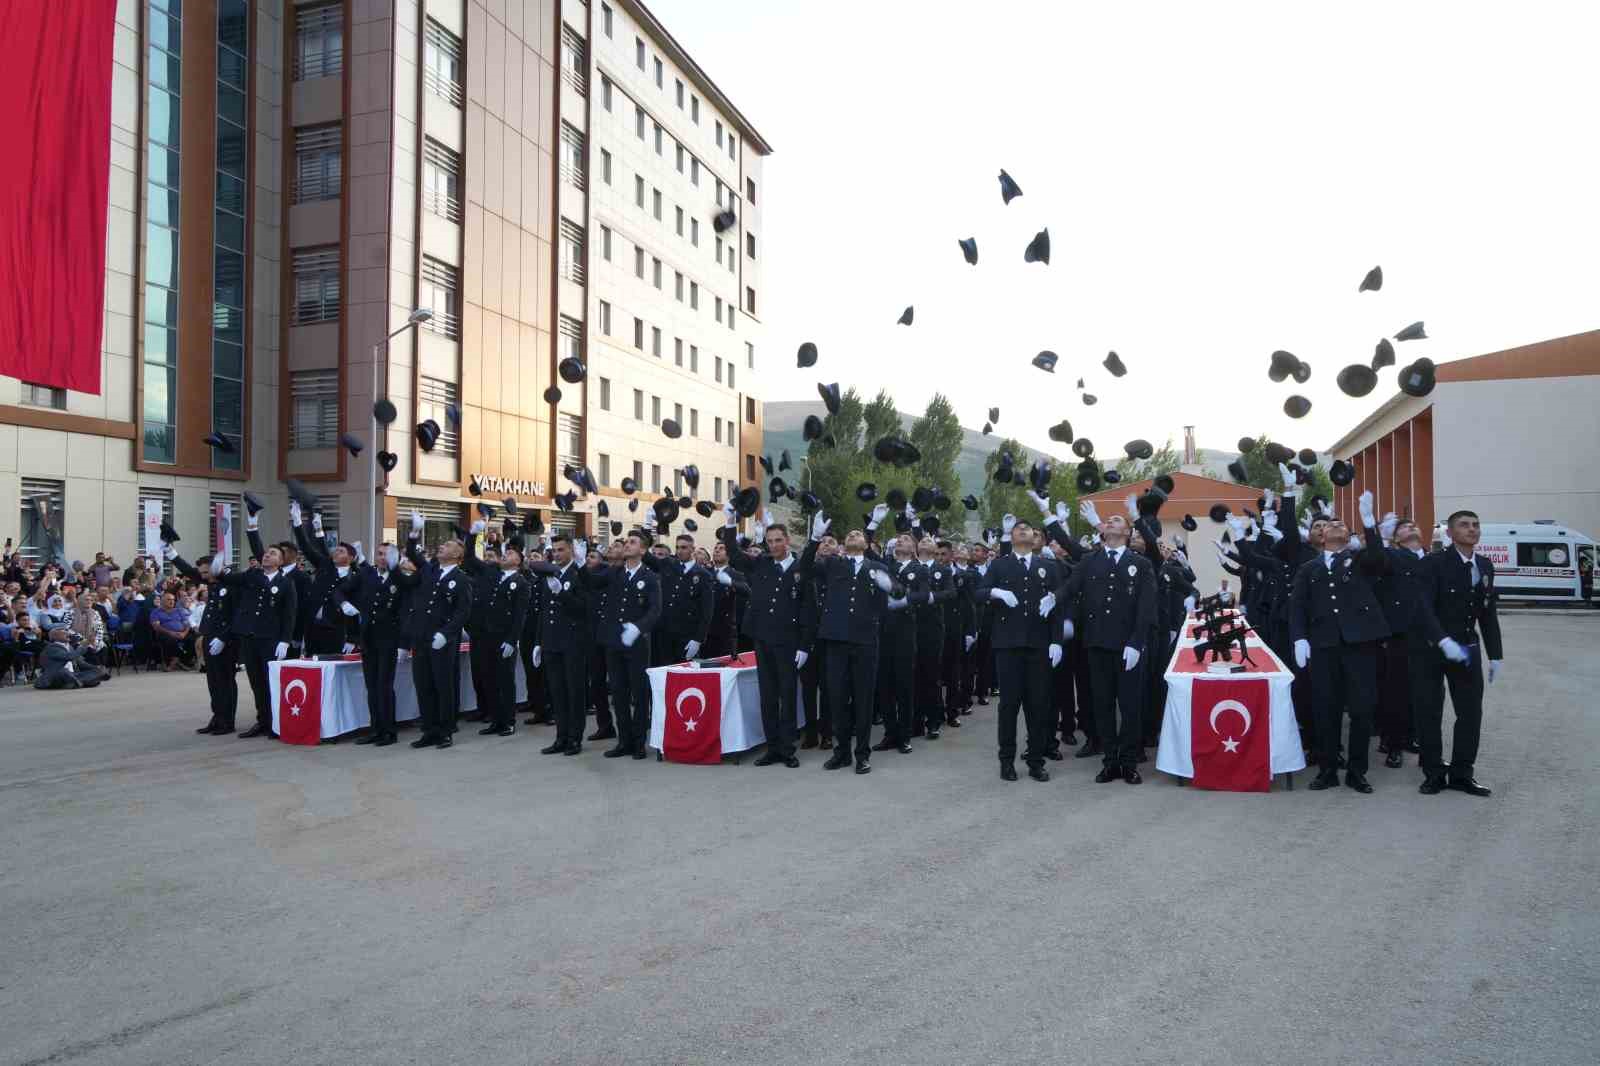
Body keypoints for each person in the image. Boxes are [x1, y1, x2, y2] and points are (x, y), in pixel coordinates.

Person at [1289, 490, 1390, 793]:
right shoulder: (1309, 569)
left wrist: (1369, 522)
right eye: (1329, 524)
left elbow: (1379, 558)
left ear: (1348, 536)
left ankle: (1357, 772)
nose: (1334, 525)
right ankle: (1328, 769)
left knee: (1361, 710)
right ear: (1320, 538)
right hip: (1323, 647)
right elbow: (1298, 606)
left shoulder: (1360, 561)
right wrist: (1299, 639)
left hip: (1360, 646)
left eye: (1341, 524)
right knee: (1326, 709)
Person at [1060, 500, 1157, 785]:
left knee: (1129, 707)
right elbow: (1072, 586)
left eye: (1117, 520)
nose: (1112, 522)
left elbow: (1146, 607)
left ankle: (1129, 762)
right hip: (1098, 644)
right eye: (1109, 520)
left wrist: (1137, 643)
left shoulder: (1140, 564)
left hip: (1128, 647)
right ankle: (1110, 761)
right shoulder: (1091, 559)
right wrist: (1054, 598)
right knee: (1102, 706)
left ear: (1127, 532)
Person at [1411, 509, 1503, 797]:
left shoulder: (1485, 565)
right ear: (1450, 533)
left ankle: (1462, 773)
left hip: (1466, 648)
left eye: (1476, 525)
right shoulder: (1433, 563)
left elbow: (1487, 613)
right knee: (1429, 711)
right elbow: (1423, 607)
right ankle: (1434, 773)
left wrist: (1495, 653)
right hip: (1431, 650)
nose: (1472, 529)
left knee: (1470, 712)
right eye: (1464, 525)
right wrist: (1441, 640)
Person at [801, 511, 894, 774]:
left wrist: (890, 589)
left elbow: (893, 597)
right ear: (844, 543)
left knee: (863, 699)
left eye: (859, 533)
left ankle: (862, 754)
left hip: (865, 641)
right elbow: (805, 568)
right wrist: (814, 538)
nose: (854, 534)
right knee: (837, 698)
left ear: (866, 543)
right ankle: (841, 753)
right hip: (836, 641)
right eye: (850, 533)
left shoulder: (878, 568)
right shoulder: (832, 564)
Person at [719, 504, 811, 767]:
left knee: (788, 694)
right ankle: (772, 747)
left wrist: (804, 645)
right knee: (768, 696)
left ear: (788, 541)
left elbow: (807, 609)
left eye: (778, 540)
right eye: (769, 541)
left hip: (789, 641)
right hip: (762, 639)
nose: (773, 545)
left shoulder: (800, 569)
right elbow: (735, 555)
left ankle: (787, 748)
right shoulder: (761, 564)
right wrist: (730, 522)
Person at [979, 514, 1069, 782]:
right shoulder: (999, 565)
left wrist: (1056, 640)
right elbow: (979, 592)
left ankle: (1036, 760)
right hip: (1007, 645)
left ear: (1035, 538)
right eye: (1018, 529)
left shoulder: (1048, 567)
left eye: (1027, 529)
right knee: (1008, 706)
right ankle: (1006, 760)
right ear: (1013, 536)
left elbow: (1057, 606)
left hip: (1038, 645)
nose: (1022, 532)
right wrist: (996, 592)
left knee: (1038, 706)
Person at [581, 530, 662, 759]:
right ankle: (623, 741)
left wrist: (638, 627)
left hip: (636, 644)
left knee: (638, 693)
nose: (627, 544)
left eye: (632, 542)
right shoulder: (615, 572)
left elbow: (655, 610)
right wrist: (581, 562)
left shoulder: (649, 577)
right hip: (614, 642)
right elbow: (591, 582)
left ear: (643, 550)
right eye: (626, 541)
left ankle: (638, 743)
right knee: (618, 694)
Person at [403, 515, 474, 749]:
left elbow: (463, 611)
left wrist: (447, 633)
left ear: (457, 556)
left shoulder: (461, 579)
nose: (442, 546)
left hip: (442, 640)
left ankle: (445, 731)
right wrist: (414, 531)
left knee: (443, 686)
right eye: (442, 545)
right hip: (422, 637)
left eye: (448, 545)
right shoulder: (430, 570)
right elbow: (413, 555)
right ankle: (429, 730)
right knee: (423, 684)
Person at [227, 518, 300, 738]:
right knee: (256, 682)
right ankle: (262, 721)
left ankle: (275, 723)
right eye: (266, 553)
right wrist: (219, 570)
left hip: (271, 639)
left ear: (281, 561)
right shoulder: (253, 575)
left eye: (273, 554)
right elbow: (229, 578)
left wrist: (285, 640)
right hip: (251, 637)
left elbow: (289, 614)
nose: (268, 555)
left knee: (271, 683)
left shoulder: (286, 583)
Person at [1374, 515, 1430, 768]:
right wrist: (1382, 538)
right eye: (1405, 527)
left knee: (1422, 692)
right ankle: (1393, 744)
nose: (1411, 527)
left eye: (1414, 525)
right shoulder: (1392, 558)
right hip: (1398, 635)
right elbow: (1376, 560)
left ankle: (1412, 736)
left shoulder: (1432, 560)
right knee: (1396, 692)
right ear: (1396, 538)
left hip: (1428, 636)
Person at [530, 532, 591, 755]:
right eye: (554, 550)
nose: (557, 554)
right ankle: (561, 737)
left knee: (574, 692)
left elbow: (583, 609)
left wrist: (562, 594)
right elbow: (544, 611)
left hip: (573, 642)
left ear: (572, 551)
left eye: (561, 550)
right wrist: (539, 641)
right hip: (552, 641)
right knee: (556, 692)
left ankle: (575, 738)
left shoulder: (580, 574)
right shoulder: (550, 574)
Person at [170, 546, 242, 736]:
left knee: (225, 681)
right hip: (210, 637)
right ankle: (217, 717)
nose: (203, 576)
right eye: (201, 572)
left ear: (217, 568)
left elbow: (237, 615)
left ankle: (227, 721)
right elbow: (188, 571)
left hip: (225, 641)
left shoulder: (232, 584)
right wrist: (171, 553)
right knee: (213, 681)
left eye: (206, 572)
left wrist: (223, 638)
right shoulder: (213, 582)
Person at [354, 541, 417, 748]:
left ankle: (389, 731)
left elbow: (407, 612)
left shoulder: (400, 579)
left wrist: (404, 643)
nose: (381, 557)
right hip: (369, 638)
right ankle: (375, 729)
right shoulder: (367, 575)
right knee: (371, 686)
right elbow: (341, 591)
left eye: (386, 555)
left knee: (384, 686)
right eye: (379, 553)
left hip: (389, 639)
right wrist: (344, 604)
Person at [467, 538, 532, 737]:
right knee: (489, 680)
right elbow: (470, 559)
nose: (506, 555)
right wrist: (473, 536)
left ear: (519, 562)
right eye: (506, 552)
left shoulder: (521, 583)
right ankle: (496, 720)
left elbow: (520, 615)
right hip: (486, 636)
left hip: (504, 638)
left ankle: (508, 721)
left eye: (511, 553)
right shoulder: (493, 573)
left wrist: (512, 640)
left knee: (505, 680)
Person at [291, 501, 363, 655]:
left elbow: (355, 610)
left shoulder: (355, 579)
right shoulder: (325, 566)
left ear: (351, 558)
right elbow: (306, 547)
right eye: (336, 550)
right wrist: (297, 522)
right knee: (312, 669)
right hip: (312, 628)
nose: (336, 553)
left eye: (341, 551)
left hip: (335, 631)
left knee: (331, 670)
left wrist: (353, 638)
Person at [649, 532, 714, 665]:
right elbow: (648, 559)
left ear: (692, 549)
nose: (679, 551)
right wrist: (647, 531)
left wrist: (698, 639)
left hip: (687, 634)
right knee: (662, 674)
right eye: (677, 547)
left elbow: (707, 610)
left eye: (684, 547)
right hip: (665, 632)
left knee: (684, 678)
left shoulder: (703, 575)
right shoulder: (668, 564)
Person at [34, 628, 103, 690]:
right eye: (64, 633)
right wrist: (86, 643)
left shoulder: (69, 647)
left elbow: (81, 663)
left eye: (67, 632)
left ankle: (74, 682)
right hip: (56, 675)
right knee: (64, 671)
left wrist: (96, 668)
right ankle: (79, 682)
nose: (68, 634)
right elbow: (70, 657)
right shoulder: (51, 648)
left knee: (94, 672)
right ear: (55, 637)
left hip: (73, 674)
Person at [149, 591, 194, 670]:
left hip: (181, 633)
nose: (172, 601)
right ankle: (176, 661)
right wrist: (170, 632)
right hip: (165, 633)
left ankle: (181, 660)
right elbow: (156, 626)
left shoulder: (179, 611)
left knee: (192, 639)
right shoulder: (156, 612)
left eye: (173, 600)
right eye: (169, 600)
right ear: (162, 601)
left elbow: (187, 624)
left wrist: (184, 633)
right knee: (169, 640)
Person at [64, 591, 108, 668]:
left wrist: (97, 640)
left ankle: (100, 669)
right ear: (80, 601)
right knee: (88, 650)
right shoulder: (70, 613)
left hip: (92, 639)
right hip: (76, 640)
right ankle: (94, 671)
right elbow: (66, 628)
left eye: (91, 600)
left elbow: (99, 628)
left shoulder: (95, 613)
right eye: (86, 600)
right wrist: (82, 639)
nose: (89, 602)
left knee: (103, 647)